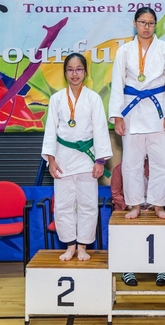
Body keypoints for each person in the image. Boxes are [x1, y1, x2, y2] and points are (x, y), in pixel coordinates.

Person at [109, 7, 165, 220]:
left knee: (162, 161)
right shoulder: (124, 51)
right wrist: (118, 116)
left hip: (159, 111)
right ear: (135, 23)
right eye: (142, 22)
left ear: (155, 25)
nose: (146, 27)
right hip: (132, 112)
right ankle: (135, 204)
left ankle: (158, 204)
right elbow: (117, 84)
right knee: (131, 162)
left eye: (150, 23)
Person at [41, 53, 113, 261]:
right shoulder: (56, 99)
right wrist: (51, 160)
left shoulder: (93, 98)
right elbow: (50, 131)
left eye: (79, 69)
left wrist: (100, 161)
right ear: (65, 73)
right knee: (63, 205)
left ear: (85, 72)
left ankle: (82, 246)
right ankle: (70, 245)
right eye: (70, 70)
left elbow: (100, 130)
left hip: (87, 159)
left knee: (88, 204)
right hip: (63, 158)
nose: (75, 74)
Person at [110, 160, 165, 286]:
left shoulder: (156, 165)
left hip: (153, 209)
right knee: (127, 231)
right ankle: (127, 269)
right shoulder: (120, 168)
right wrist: (130, 207)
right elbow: (115, 193)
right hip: (128, 209)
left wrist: (155, 206)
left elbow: (162, 189)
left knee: (162, 230)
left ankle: (161, 268)